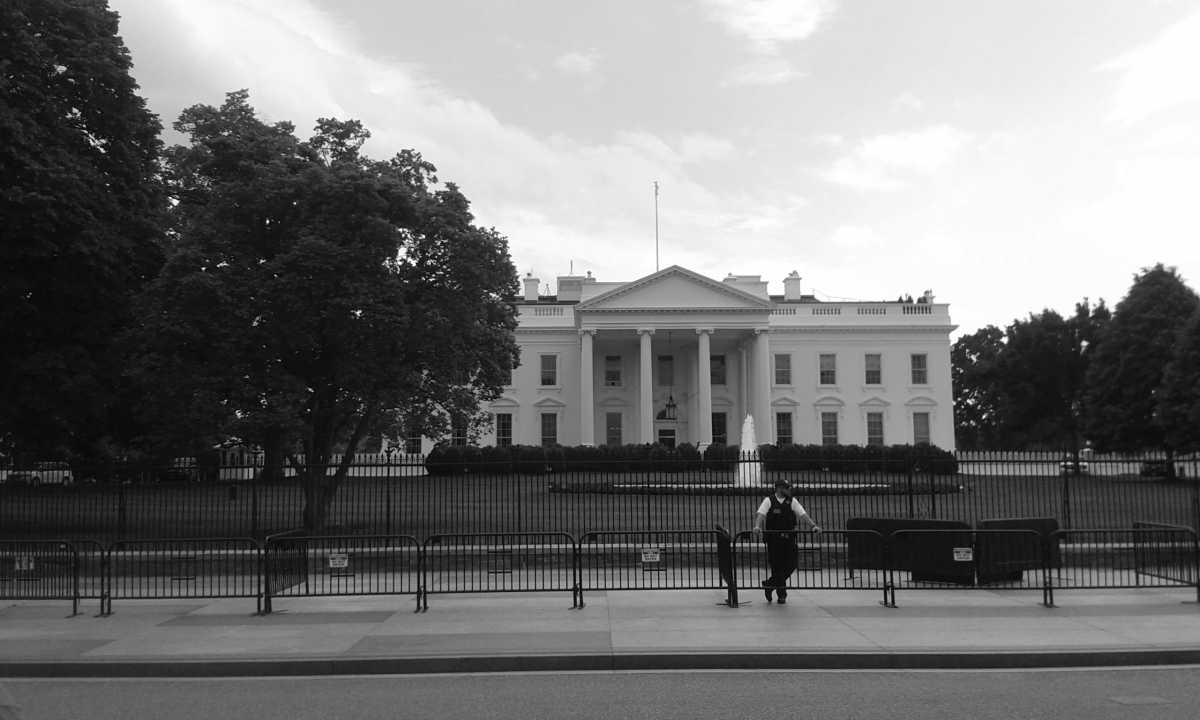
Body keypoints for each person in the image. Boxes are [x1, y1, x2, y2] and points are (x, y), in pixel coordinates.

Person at [752, 479, 820, 604]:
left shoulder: (792, 501)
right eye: (786, 488)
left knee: (791, 565)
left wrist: (813, 526)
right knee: (777, 567)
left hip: (789, 539)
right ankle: (782, 595)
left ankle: (769, 584)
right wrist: (757, 526)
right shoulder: (769, 500)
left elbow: (803, 514)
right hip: (774, 540)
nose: (789, 490)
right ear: (778, 488)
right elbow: (761, 514)